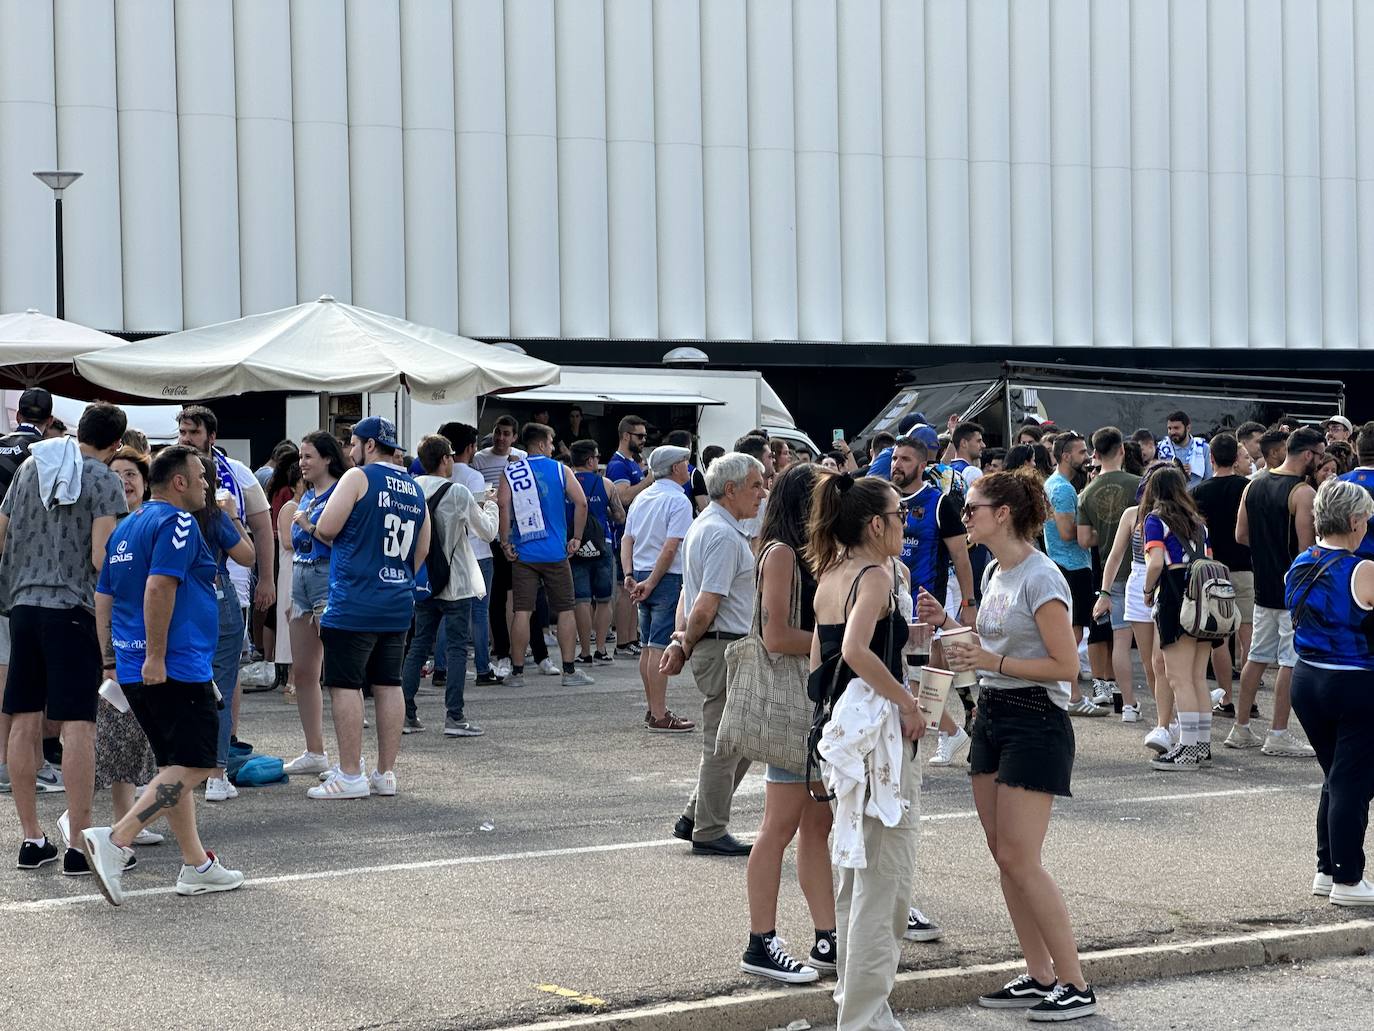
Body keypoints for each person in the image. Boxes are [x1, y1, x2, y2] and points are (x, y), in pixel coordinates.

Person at [918, 469, 1097, 1021]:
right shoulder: (996, 569)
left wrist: (990, 661)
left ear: (1003, 514)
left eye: (972, 508)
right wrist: (947, 624)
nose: (964, 517)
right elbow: (985, 647)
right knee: (1006, 859)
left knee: (1021, 857)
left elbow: (1065, 668)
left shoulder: (1042, 577)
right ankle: (1040, 974)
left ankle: (1075, 983)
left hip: (1034, 719)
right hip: (993, 714)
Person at [83, 444, 243, 903]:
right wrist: (156, 656)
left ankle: (197, 865)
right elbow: (159, 586)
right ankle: (116, 839)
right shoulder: (177, 521)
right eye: (202, 476)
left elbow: (104, 598)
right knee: (196, 764)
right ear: (180, 481)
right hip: (173, 666)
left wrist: (113, 660)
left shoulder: (126, 526)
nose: (207, 485)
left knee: (174, 767)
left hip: (136, 668)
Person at [806, 473, 923, 1024]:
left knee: (858, 877)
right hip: (876, 745)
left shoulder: (831, 572)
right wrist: (905, 701)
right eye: (900, 515)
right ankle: (865, 1014)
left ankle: (856, 1005)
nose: (906, 524)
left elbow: (817, 664)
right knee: (885, 883)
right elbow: (855, 650)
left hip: (844, 741)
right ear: (876, 524)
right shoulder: (874, 575)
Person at [1, 402, 127, 874]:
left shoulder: (33, 465)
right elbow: (101, 556)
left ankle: (31, 837)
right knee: (78, 722)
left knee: (23, 717)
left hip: (23, 606)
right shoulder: (102, 479)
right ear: (116, 444)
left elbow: (2, 531)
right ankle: (79, 843)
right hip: (73, 609)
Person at [736, 464, 837, 984]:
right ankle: (762, 940)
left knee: (818, 823)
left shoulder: (814, 553)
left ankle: (827, 934)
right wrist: (838, 642)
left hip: (816, 704)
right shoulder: (779, 553)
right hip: (792, 706)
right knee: (779, 826)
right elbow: (776, 636)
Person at [309, 416, 431, 799]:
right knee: (388, 683)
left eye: (352, 443)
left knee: (345, 685)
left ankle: (349, 774)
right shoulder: (413, 487)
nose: (348, 451)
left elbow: (328, 528)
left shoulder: (357, 478)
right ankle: (385, 773)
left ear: (369, 445)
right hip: (397, 600)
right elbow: (422, 548)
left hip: (355, 599)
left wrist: (307, 523)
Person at [662, 451, 766, 857]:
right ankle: (708, 828)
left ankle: (696, 815)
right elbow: (706, 601)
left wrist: (682, 639)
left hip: (720, 643)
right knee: (726, 745)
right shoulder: (721, 533)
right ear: (731, 489)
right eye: (756, 485)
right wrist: (684, 643)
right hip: (724, 646)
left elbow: (690, 594)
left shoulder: (708, 526)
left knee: (738, 741)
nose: (762, 492)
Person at [1286, 478, 1374, 906]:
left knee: (1336, 777)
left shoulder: (1301, 561)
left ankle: (1327, 868)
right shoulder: (1363, 569)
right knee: (1352, 783)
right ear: (1355, 521)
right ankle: (1348, 878)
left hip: (1307, 680)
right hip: (1354, 682)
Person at [175, 406, 275, 769]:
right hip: (187, 585)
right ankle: (207, 756)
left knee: (225, 670)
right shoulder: (171, 466)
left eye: (193, 433)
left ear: (211, 436)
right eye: (183, 432)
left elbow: (263, 528)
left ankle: (225, 741)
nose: (186, 439)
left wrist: (267, 579)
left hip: (228, 583)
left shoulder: (238, 473)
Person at [1231, 427, 1322, 757]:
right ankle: (1278, 733)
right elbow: (1306, 550)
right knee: (1289, 661)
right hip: (1291, 590)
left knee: (1256, 656)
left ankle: (1240, 727)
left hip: (1263, 584)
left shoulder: (1252, 485)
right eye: (1320, 454)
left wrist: (1266, 548)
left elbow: (1241, 534)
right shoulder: (1302, 493)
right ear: (1308, 454)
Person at [401, 435, 498, 737]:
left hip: (423, 580)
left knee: (418, 645)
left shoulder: (411, 489)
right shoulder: (457, 492)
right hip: (455, 581)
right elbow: (487, 532)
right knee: (456, 648)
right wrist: (492, 506)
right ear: (445, 459)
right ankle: (454, 717)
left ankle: (406, 713)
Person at [88, 449, 160, 848]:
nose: (124, 482)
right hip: (117, 645)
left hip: (148, 644)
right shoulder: (106, 526)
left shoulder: (151, 522)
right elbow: (105, 593)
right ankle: (120, 824)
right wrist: (107, 657)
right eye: (115, 476)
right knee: (117, 736)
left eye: (131, 474)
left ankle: (132, 818)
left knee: (141, 738)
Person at [497, 422, 594, 690]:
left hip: (524, 552)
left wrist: (505, 541)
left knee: (521, 611)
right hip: (555, 552)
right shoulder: (560, 470)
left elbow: (502, 505)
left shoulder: (512, 470)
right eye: (551, 442)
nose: (553, 447)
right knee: (565, 610)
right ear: (541, 443)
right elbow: (582, 502)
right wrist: (576, 537)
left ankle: (516, 673)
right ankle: (569, 670)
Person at [280, 432, 347, 777]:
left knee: (338, 673)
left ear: (327, 459)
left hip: (327, 580)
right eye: (301, 457)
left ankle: (348, 760)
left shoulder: (341, 491)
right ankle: (315, 750)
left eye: (308, 456)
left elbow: (342, 541)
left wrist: (308, 525)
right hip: (302, 581)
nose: (302, 463)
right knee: (304, 672)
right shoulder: (306, 497)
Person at [0, 387, 57, 797]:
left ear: (17, 412)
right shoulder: (49, 456)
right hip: (25, 575)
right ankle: (19, 762)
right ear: (48, 419)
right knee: (17, 669)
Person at [1139, 468, 1214, 771]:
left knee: (1177, 677)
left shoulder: (1155, 520)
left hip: (1174, 596)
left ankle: (1187, 749)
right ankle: (1201, 745)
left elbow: (1156, 561)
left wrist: (1146, 590)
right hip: (1204, 598)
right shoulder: (1199, 524)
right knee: (1197, 678)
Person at [622, 444, 696, 732]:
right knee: (658, 646)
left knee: (646, 647)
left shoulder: (642, 497)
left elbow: (627, 539)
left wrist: (630, 574)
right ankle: (659, 713)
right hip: (663, 577)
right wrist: (652, 582)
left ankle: (653, 708)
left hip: (640, 571)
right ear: (676, 467)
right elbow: (670, 547)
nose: (688, 469)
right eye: (685, 463)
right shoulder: (679, 501)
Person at [1096, 466, 1169, 750]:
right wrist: (1104, 592)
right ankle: (1165, 719)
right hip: (1139, 581)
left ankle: (1170, 720)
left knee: (1162, 660)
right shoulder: (1132, 514)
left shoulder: (1175, 514)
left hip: (1166, 583)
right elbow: (1114, 557)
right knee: (1151, 665)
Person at [1076, 427, 1142, 719]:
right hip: (1142, 567)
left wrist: (1106, 535)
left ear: (1096, 453)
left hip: (1110, 571)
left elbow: (1083, 539)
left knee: (1120, 640)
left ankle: (1127, 704)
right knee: (1154, 646)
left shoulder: (1086, 492)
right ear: (1123, 450)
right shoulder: (1139, 485)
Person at [1190, 434, 1254, 714]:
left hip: (1212, 571)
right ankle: (1249, 699)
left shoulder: (1198, 492)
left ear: (1211, 458)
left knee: (1219, 637)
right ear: (1236, 459)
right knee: (1248, 634)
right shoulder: (1248, 488)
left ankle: (1226, 698)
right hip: (1245, 567)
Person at [1042, 432, 1104, 715]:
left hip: (1065, 564)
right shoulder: (1063, 489)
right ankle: (1073, 696)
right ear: (1066, 456)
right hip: (1071, 566)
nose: (1088, 458)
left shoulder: (1057, 484)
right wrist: (1101, 533)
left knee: (1071, 632)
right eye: (1081, 453)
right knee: (1072, 634)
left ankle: (1068, 693)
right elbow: (1068, 533)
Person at [442, 422, 505, 686]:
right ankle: (482, 668)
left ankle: (439, 668)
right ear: (470, 447)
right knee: (479, 613)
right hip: (477, 551)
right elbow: (480, 516)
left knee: (444, 611)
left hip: (446, 550)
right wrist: (492, 502)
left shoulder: (436, 474)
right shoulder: (473, 477)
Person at [471, 415, 525, 676]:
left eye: (506, 433)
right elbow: (480, 496)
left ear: (514, 437)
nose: (501, 438)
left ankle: (529, 650)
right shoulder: (480, 458)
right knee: (497, 596)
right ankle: (501, 650)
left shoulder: (521, 457)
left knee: (524, 596)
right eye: (498, 432)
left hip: (518, 532)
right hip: (492, 534)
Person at [567, 439, 622, 664]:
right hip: (602, 544)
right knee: (603, 599)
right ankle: (601, 649)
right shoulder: (607, 484)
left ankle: (585, 652)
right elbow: (620, 516)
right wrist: (605, 512)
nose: (598, 462)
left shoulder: (565, 482)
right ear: (590, 460)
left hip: (573, 544)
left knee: (581, 599)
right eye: (597, 457)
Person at [607, 415, 654, 658]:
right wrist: (648, 480)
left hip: (632, 535)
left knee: (631, 588)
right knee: (626, 589)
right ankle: (623, 642)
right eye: (640, 436)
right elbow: (623, 497)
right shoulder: (618, 465)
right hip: (623, 535)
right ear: (626, 436)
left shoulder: (632, 462)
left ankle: (631, 638)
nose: (644, 440)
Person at [1156, 411, 1212, 486]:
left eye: (1176, 428)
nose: (1172, 432)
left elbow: (1209, 479)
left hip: (1195, 495)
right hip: (1169, 495)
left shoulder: (1203, 448)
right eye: (1169, 428)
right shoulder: (1161, 448)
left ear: (1188, 428)